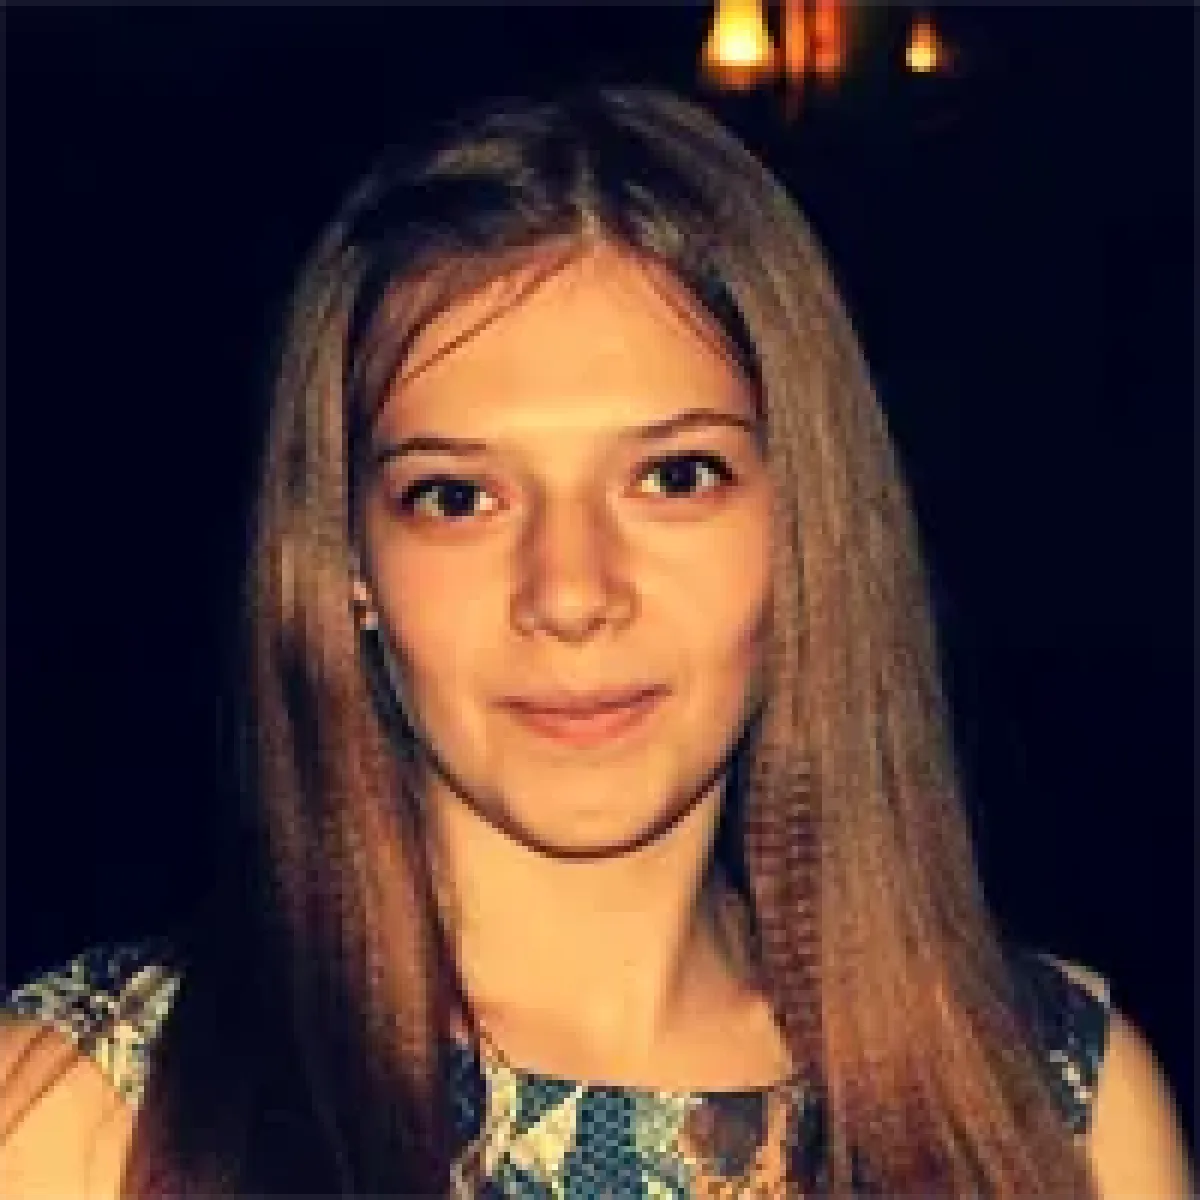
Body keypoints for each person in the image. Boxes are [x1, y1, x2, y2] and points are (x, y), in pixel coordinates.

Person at [0, 86, 1193, 1199]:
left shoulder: (1054, 1111)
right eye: (458, 496)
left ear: (807, 524)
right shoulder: (92, 1117)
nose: (570, 593)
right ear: (350, 564)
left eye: (674, 477)